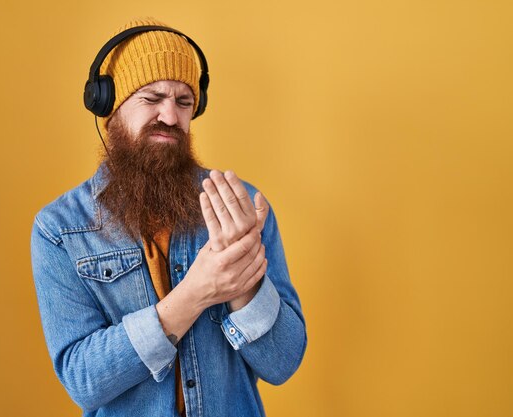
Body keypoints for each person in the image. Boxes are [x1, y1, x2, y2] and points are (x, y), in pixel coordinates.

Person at [30, 17, 306, 417]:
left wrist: (243, 285)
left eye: (183, 102)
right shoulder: (60, 230)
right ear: (109, 106)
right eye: (152, 97)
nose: (171, 117)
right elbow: (83, 380)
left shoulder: (241, 206)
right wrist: (197, 292)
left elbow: (283, 363)